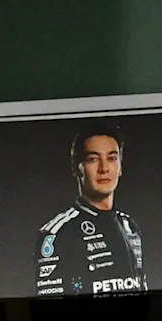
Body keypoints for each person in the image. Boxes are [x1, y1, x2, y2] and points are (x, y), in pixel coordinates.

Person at [36, 125, 145, 295]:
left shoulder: (129, 226)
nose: (104, 168)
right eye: (93, 159)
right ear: (76, 168)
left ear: (120, 167)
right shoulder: (58, 233)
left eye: (112, 158)